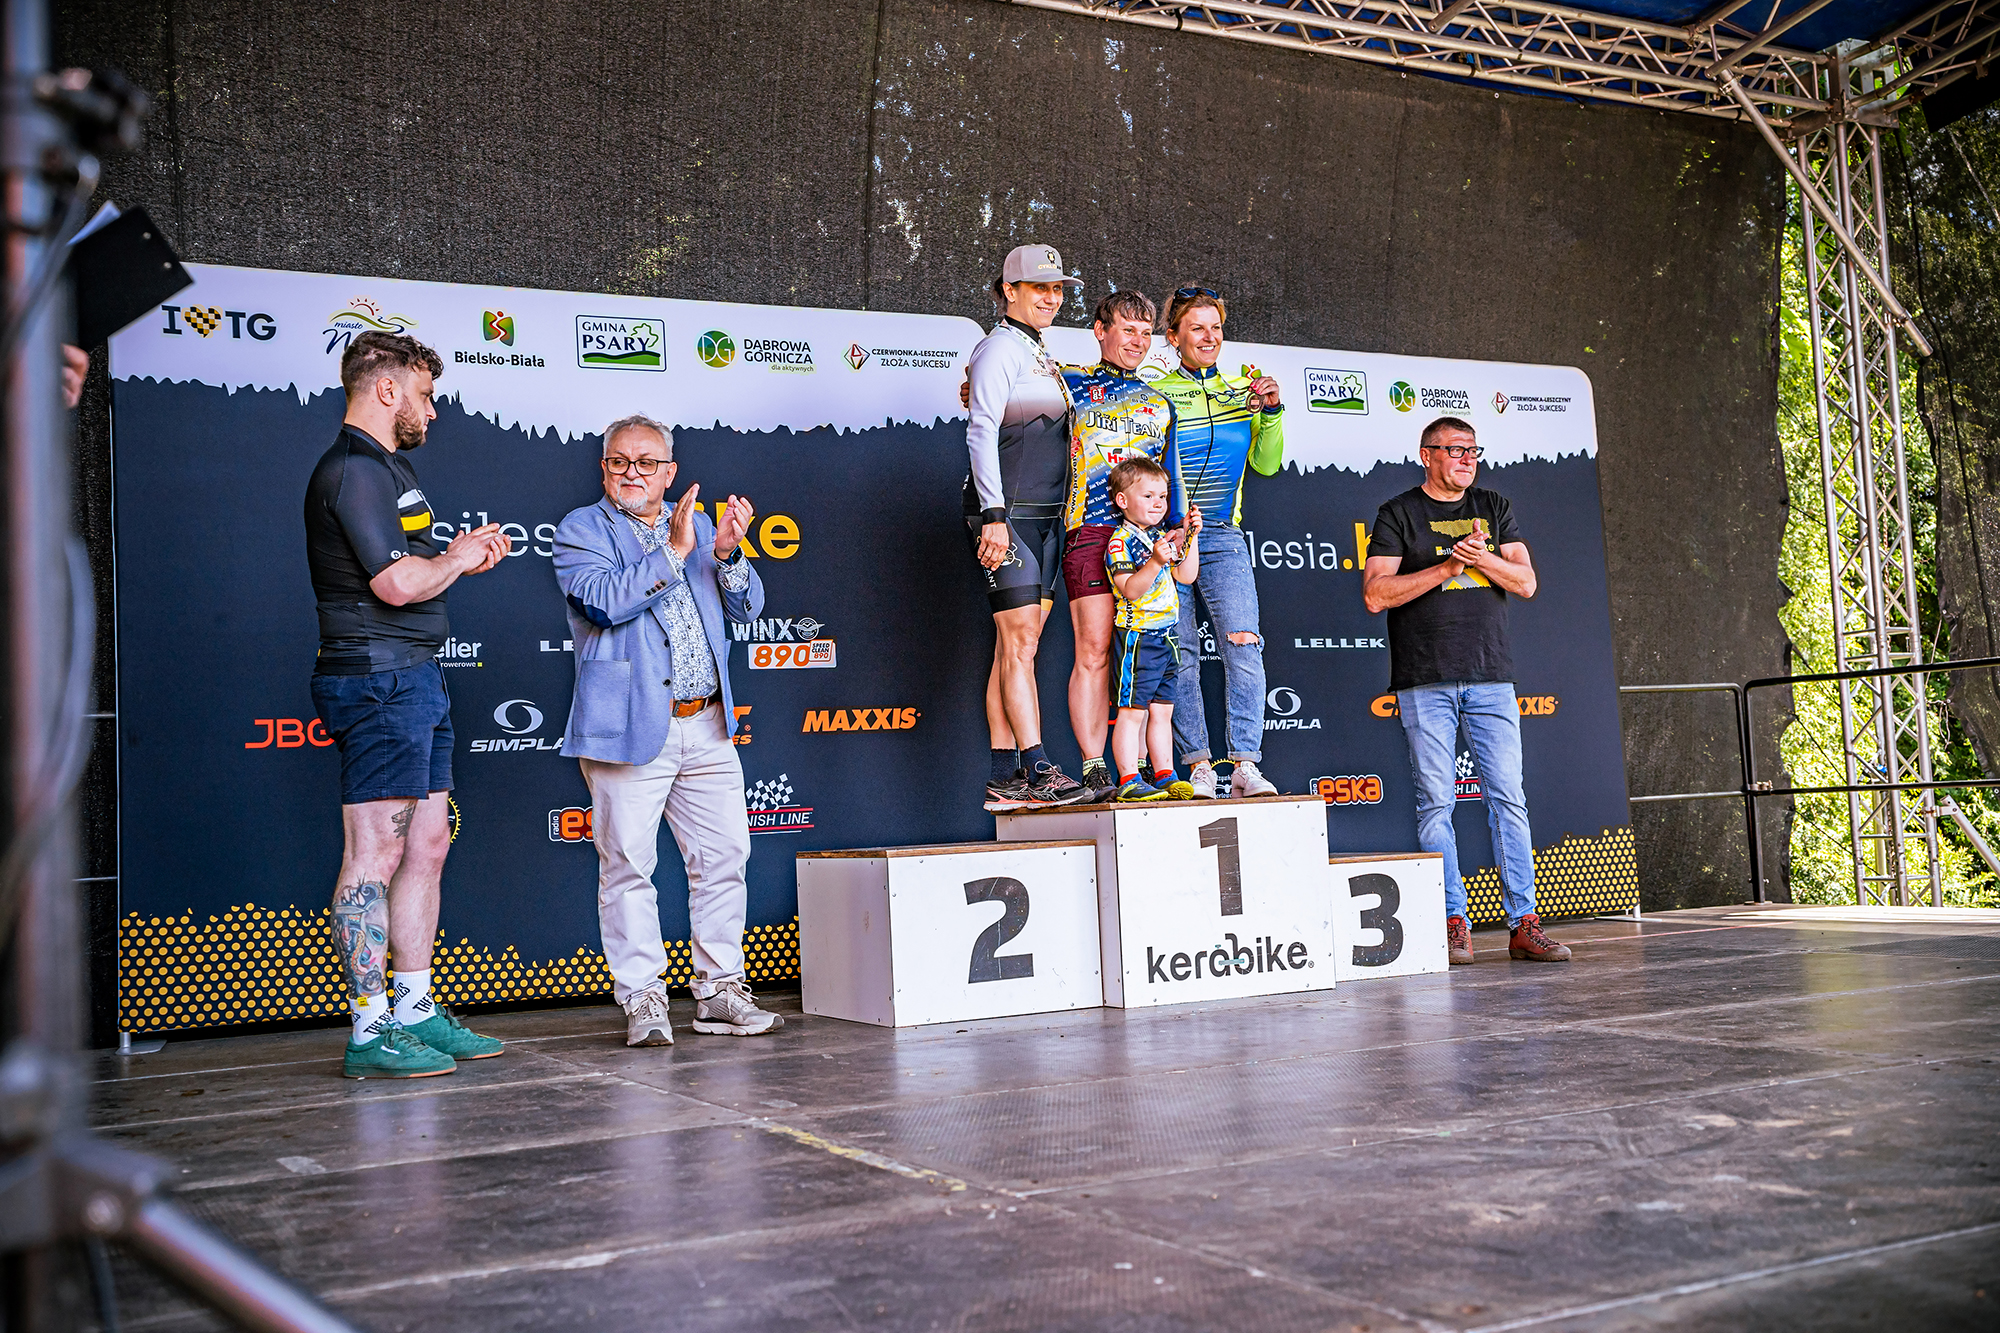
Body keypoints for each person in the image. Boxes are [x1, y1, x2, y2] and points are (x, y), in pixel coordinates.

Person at [305, 331, 511, 1079]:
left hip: (415, 676)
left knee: (426, 846)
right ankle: (370, 1029)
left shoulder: (390, 467)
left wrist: (454, 561)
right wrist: (454, 557)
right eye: (424, 394)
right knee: (376, 854)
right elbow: (393, 585)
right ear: (386, 389)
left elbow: (410, 572)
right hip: (376, 679)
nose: (432, 409)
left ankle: (415, 1009)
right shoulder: (352, 470)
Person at [553, 414, 784, 1045]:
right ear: (604, 468)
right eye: (619, 461)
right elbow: (604, 602)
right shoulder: (581, 529)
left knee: (724, 859)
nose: (632, 473)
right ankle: (643, 999)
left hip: (706, 721)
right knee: (628, 866)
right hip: (628, 726)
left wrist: (728, 554)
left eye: (646, 463)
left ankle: (719, 991)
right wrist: (675, 552)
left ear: (669, 472)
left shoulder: (701, 525)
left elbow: (747, 608)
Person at [1361, 416, 1571, 966]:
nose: (1467, 459)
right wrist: (1448, 566)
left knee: (1509, 799)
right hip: (1424, 678)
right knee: (1437, 803)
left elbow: (1526, 582)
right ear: (1427, 454)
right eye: (1455, 449)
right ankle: (1454, 921)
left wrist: (1483, 558)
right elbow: (1376, 594)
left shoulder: (1493, 506)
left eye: (1473, 450)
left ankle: (1524, 924)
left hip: (1491, 675)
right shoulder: (1398, 513)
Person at [965, 244, 1092, 811]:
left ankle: (1003, 774)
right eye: (1040, 287)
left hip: (1045, 518)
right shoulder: (998, 348)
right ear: (1009, 290)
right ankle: (1038, 766)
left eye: (1058, 289)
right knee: (1019, 643)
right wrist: (993, 515)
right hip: (1008, 515)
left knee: (1017, 645)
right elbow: (981, 430)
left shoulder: (1037, 351)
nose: (1051, 297)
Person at [1152, 287, 1285, 799]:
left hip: (1223, 535)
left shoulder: (1241, 392)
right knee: (1180, 651)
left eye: (1216, 328)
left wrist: (1271, 411)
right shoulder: (1156, 390)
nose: (1209, 337)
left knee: (1244, 643)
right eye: (1197, 328)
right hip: (1168, 536)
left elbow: (1267, 464)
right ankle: (1200, 768)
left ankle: (1246, 764)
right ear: (1174, 337)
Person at [1058, 291, 1185, 800]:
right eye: (1127, 329)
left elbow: (1171, 476)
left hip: (1147, 542)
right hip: (1091, 531)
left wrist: (1178, 529)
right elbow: (998, 394)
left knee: (1148, 651)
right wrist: (974, 388)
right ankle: (1094, 768)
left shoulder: (1160, 402)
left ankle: (1149, 771)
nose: (1137, 341)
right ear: (1100, 330)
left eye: (1145, 332)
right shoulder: (1068, 384)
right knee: (1093, 652)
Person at [1104, 459, 1202, 800]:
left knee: (1163, 711)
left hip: (1168, 637)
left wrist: (1191, 537)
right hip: (1139, 637)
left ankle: (1164, 774)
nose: (1158, 503)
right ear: (1122, 501)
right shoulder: (1120, 542)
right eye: (1148, 496)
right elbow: (1130, 589)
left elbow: (1186, 575)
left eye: (1162, 496)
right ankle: (1129, 778)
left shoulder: (1159, 537)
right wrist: (1156, 561)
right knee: (1132, 713)